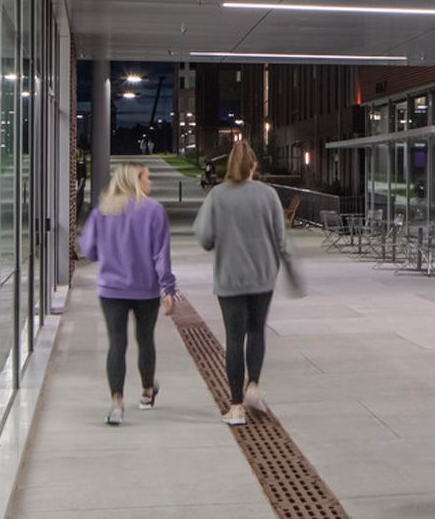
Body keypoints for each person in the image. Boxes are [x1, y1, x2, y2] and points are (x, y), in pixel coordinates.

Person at [193, 137, 295, 425]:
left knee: (234, 338)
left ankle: (236, 406)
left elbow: (204, 237)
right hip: (262, 277)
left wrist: (221, 242)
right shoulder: (268, 195)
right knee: (257, 331)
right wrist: (291, 272)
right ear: (254, 165)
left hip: (229, 278)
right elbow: (280, 238)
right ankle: (254, 386)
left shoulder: (217, 195)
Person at [77, 161, 176, 425]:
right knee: (145, 340)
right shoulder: (154, 211)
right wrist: (168, 288)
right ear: (135, 180)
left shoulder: (102, 212)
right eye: (146, 178)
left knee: (116, 344)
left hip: (111, 290)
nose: (149, 183)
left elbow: (89, 251)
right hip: (145, 290)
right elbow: (161, 255)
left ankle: (116, 404)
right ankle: (146, 392)